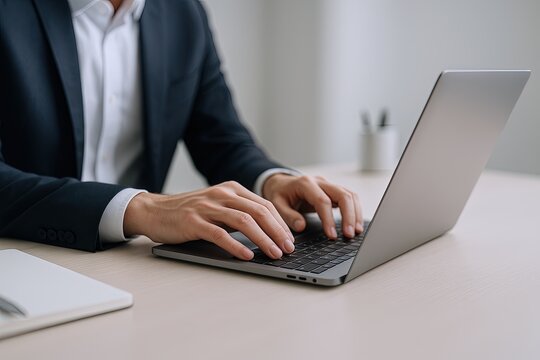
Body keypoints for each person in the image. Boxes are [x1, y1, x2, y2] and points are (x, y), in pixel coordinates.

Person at [0, 0, 363, 260]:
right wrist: (143, 209)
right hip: (24, 258)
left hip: (135, 262)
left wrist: (271, 181)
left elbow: (221, 139)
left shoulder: (182, 12)